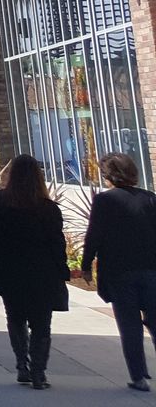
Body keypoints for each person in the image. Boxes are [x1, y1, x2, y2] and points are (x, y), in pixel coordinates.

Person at [0, 154, 69, 389]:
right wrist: (63, 271)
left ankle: (22, 366)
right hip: (42, 272)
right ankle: (38, 372)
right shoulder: (48, 208)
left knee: (15, 318)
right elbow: (57, 243)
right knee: (41, 324)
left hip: (8, 270)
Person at [81, 152, 156, 392]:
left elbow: (94, 235)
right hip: (151, 270)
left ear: (109, 175)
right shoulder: (150, 199)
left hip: (119, 271)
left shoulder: (105, 201)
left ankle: (138, 377)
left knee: (129, 325)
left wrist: (86, 265)